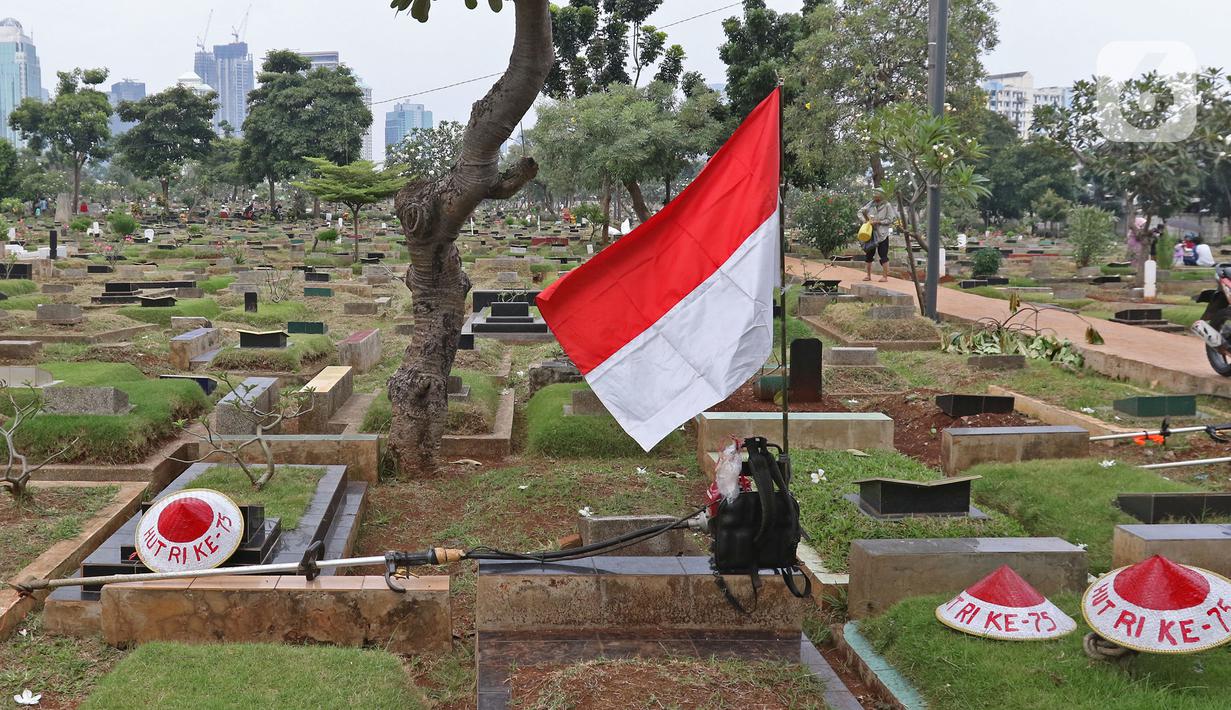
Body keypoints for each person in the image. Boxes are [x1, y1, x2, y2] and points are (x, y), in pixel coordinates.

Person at [860, 192, 897, 282]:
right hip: (870, 233)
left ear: (881, 196)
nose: (875, 197)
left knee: (883, 254)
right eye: (874, 195)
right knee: (869, 254)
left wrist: (878, 222)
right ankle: (868, 275)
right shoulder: (870, 204)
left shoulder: (887, 205)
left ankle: (885, 276)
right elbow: (861, 211)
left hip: (882, 234)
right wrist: (866, 220)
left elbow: (890, 219)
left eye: (877, 195)